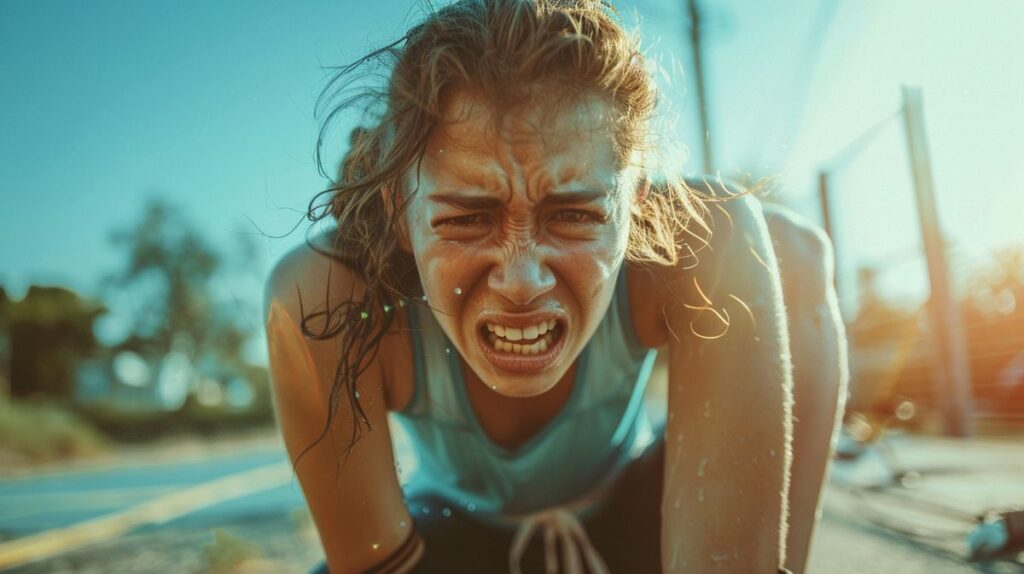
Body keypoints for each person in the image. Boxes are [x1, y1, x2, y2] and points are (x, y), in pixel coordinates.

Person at [263, 1, 847, 572]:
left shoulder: (692, 250)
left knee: (785, 248)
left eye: (575, 216)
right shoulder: (327, 297)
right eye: (466, 219)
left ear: (634, 203)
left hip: (645, 511)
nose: (522, 281)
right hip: (452, 539)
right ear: (400, 214)